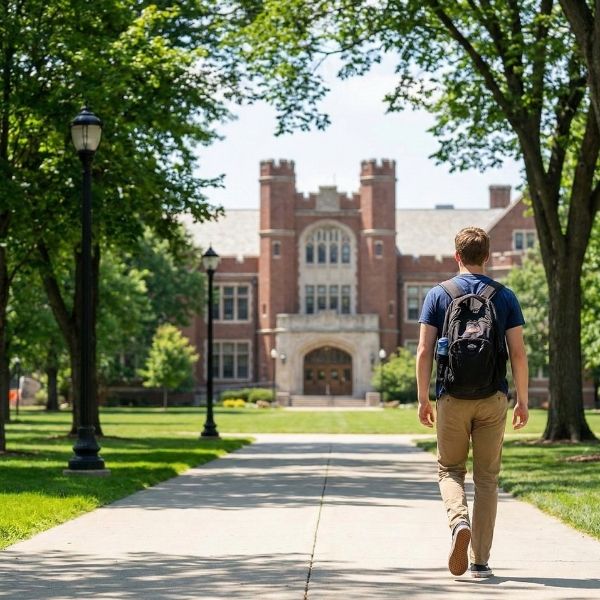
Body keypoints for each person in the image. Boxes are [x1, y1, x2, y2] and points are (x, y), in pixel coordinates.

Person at [416, 226, 529, 579]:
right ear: (488, 256)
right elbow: (518, 353)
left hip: (451, 395)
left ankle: (458, 522)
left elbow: (423, 351)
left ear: (457, 256)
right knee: (487, 479)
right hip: (493, 397)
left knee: (450, 470)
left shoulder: (439, 294)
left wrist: (423, 398)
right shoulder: (505, 296)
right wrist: (522, 400)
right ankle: (480, 560)